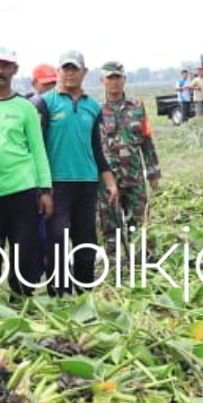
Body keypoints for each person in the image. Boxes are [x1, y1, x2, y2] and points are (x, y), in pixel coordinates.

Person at [0, 47, 52, 296]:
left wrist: (45, 190)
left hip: (21, 190)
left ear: (14, 70)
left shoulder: (25, 107)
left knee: (25, 252)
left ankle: (23, 298)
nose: (0, 71)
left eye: (6, 66)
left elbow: (38, 150)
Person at [39, 50, 117, 293]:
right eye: (66, 69)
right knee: (57, 240)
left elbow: (95, 147)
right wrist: (42, 188)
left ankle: (85, 292)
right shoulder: (45, 103)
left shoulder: (93, 107)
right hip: (57, 184)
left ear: (84, 72)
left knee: (86, 241)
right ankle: (59, 293)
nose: (70, 73)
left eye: (75, 69)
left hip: (87, 182)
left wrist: (110, 181)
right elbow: (38, 148)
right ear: (59, 71)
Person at [95, 62, 161, 249]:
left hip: (134, 178)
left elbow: (147, 142)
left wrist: (153, 172)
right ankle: (115, 264)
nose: (114, 82)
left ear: (125, 80)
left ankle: (141, 262)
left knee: (139, 225)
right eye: (110, 78)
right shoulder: (95, 111)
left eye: (118, 77)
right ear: (102, 81)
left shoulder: (137, 108)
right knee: (109, 226)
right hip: (108, 181)